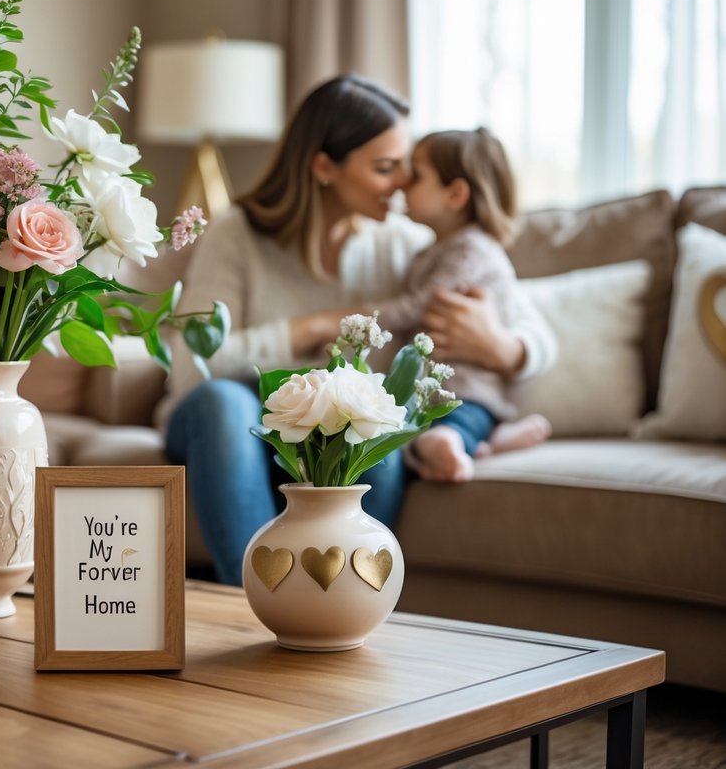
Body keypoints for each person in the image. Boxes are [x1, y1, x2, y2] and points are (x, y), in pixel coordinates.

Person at [162, 74, 557, 586]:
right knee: (222, 404)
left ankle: (344, 612)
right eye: (385, 167)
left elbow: (538, 332)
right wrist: (309, 329)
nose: (401, 184)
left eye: (407, 168)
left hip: (329, 431)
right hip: (234, 419)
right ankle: (249, 612)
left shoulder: (406, 244)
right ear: (325, 166)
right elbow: (190, 364)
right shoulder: (237, 235)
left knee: (375, 437)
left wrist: (502, 347)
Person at [364, 128, 552, 480]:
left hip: (468, 389)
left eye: (416, 175)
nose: (403, 182)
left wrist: (361, 318)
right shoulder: (430, 252)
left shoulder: (471, 249)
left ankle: (450, 442)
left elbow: (419, 306)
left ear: (456, 194)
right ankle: (488, 441)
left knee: (455, 421)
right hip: (430, 390)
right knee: (401, 424)